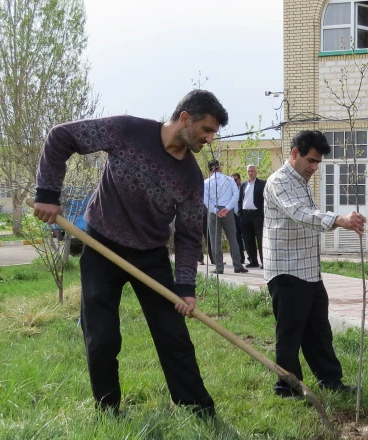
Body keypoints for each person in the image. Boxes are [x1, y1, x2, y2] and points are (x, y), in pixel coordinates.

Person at [33, 90, 228, 417]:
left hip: (150, 256)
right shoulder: (127, 131)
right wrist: (48, 193)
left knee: (174, 336)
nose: (209, 139)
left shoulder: (191, 177)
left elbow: (189, 235)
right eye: (206, 130)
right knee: (102, 337)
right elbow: (61, 136)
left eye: (213, 133)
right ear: (184, 119)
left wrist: (185, 288)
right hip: (101, 246)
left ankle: (197, 408)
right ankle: (108, 409)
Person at [263, 130, 365, 398]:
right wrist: (338, 220)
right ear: (294, 153)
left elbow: (308, 219)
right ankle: (287, 387)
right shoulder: (279, 181)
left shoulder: (303, 182)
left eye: (318, 162)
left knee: (319, 330)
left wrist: (335, 222)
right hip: (286, 270)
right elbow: (299, 214)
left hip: (308, 270)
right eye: (310, 160)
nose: (314, 167)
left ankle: (330, 380)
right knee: (290, 332)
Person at [203, 160, 247, 274]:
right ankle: (237, 265)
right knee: (233, 239)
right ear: (219, 167)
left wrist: (216, 210)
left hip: (214, 212)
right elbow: (236, 195)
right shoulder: (229, 180)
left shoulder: (206, 182)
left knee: (215, 241)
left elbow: (205, 200)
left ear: (209, 169)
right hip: (228, 211)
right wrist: (227, 208)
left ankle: (219, 267)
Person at [238, 164, 266, 268]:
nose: (250, 173)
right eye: (249, 171)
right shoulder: (244, 185)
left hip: (257, 215)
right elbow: (240, 199)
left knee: (260, 239)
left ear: (256, 172)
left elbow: (265, 199)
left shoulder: (262, 184)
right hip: (245, 215)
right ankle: (253, 261)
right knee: (248, 240)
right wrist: (240, 212)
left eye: (252, 171)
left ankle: (264, 262)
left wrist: (263, 213)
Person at [229, 172, 246, 260]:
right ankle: (239, 258)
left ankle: (251, 258)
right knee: (236, 238)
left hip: (242, 216)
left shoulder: (243, 188)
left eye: (235, 180)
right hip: (233, 216)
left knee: (245, 237)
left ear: (239, 180)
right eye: (232, 180)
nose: (234, 182)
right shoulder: (229, 190)